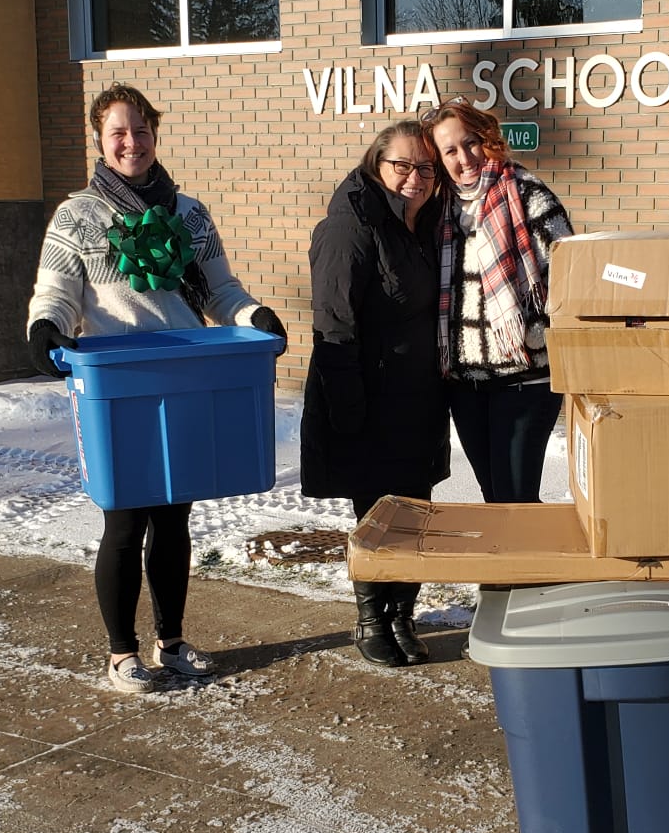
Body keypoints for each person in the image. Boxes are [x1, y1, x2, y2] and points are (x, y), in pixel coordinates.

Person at [26, 83, 287, 694]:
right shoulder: (78, 217)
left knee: (173, 519)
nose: (130, 143)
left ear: (155, 135)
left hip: (183, 377)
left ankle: (171, 640)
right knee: (124, 523)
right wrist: (44, 328)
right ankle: (122, 653)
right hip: (117, 382)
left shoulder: (189, 214)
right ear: (99, 138)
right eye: (118, 132)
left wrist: (254, 317)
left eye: (140, 131)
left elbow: (221, 292)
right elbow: (58, 294)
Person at [302, 121, 451, 668]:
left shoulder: (426, 223)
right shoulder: (350, 226)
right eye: (403, 166)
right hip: (365, 398)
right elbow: (334, 325)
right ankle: (370, 617)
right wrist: (348, 411)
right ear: (376, 165)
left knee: (415, 511)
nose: (416, 177)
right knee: (377, 516)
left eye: (426, 168)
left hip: (418, 400)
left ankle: (403, 615)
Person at [424, 98, 574, 503]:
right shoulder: (439, 209)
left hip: (525, 379)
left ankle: (534, 567)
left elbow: (570, 282)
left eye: (470, 143)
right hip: (465, 384)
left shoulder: (528, 195)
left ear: (486, 139)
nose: (464, 157)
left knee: (516, 500)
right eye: (450, 150)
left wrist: (536, 333)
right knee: (494, 498)